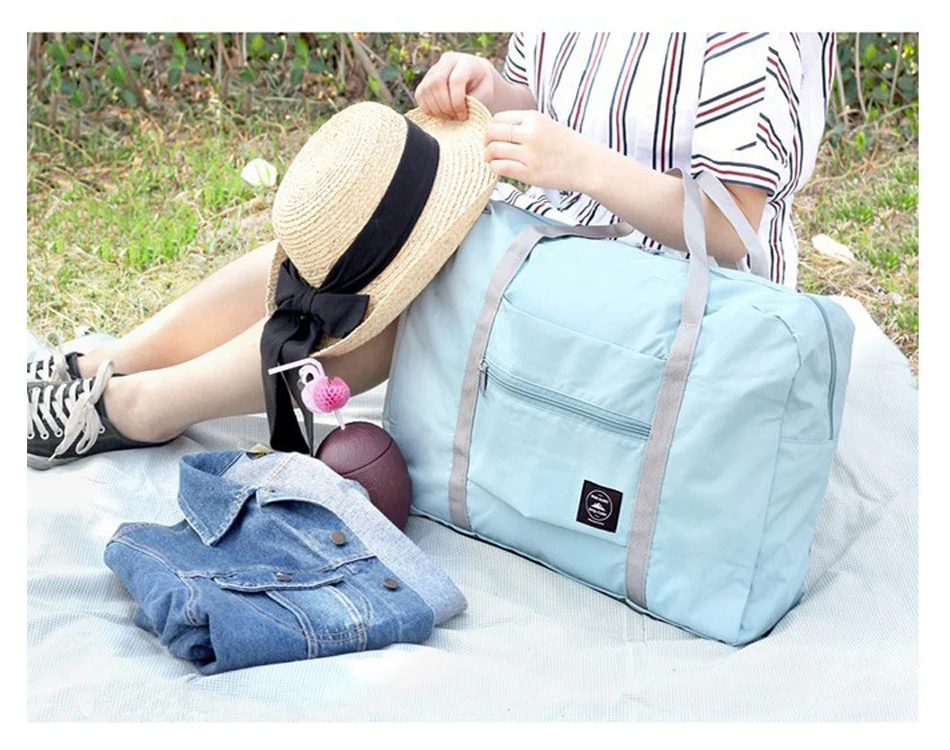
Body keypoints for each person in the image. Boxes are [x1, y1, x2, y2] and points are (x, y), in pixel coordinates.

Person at [27, 32, 835, 468]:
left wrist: (581, 165)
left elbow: (732, 229)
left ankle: (140, 409)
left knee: (417, 282)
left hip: (668, 303)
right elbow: (544, 100)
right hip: (546, 234)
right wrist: (490, 90)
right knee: (356, 228)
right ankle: (110, 362)